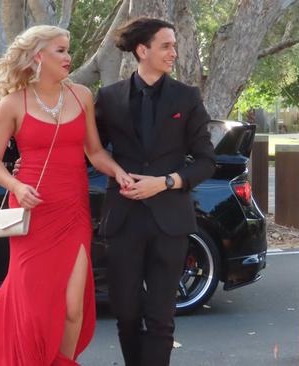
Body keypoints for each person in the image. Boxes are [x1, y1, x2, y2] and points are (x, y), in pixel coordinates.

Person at [0, 25, 133, 366]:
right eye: (60, 50)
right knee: (34, 310)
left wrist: (117, 171)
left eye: (68, 50)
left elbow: (95, 151)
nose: (68, 57)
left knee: (73, 308)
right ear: (39, 55)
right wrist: (16, 186)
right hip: (33, 211)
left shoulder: (81, 95)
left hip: (73, 210)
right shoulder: (12, 104)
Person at [95, 18, 216, 366]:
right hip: (123, 220)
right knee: (128, 314)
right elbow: (92, 150)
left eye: (174, 46)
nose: (174, 53)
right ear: (142, 50)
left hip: (170, 222)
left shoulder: (187, 97)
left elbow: (206, 160)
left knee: (162, 318)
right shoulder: (109, 97)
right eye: (166, 46)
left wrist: (165, 182)